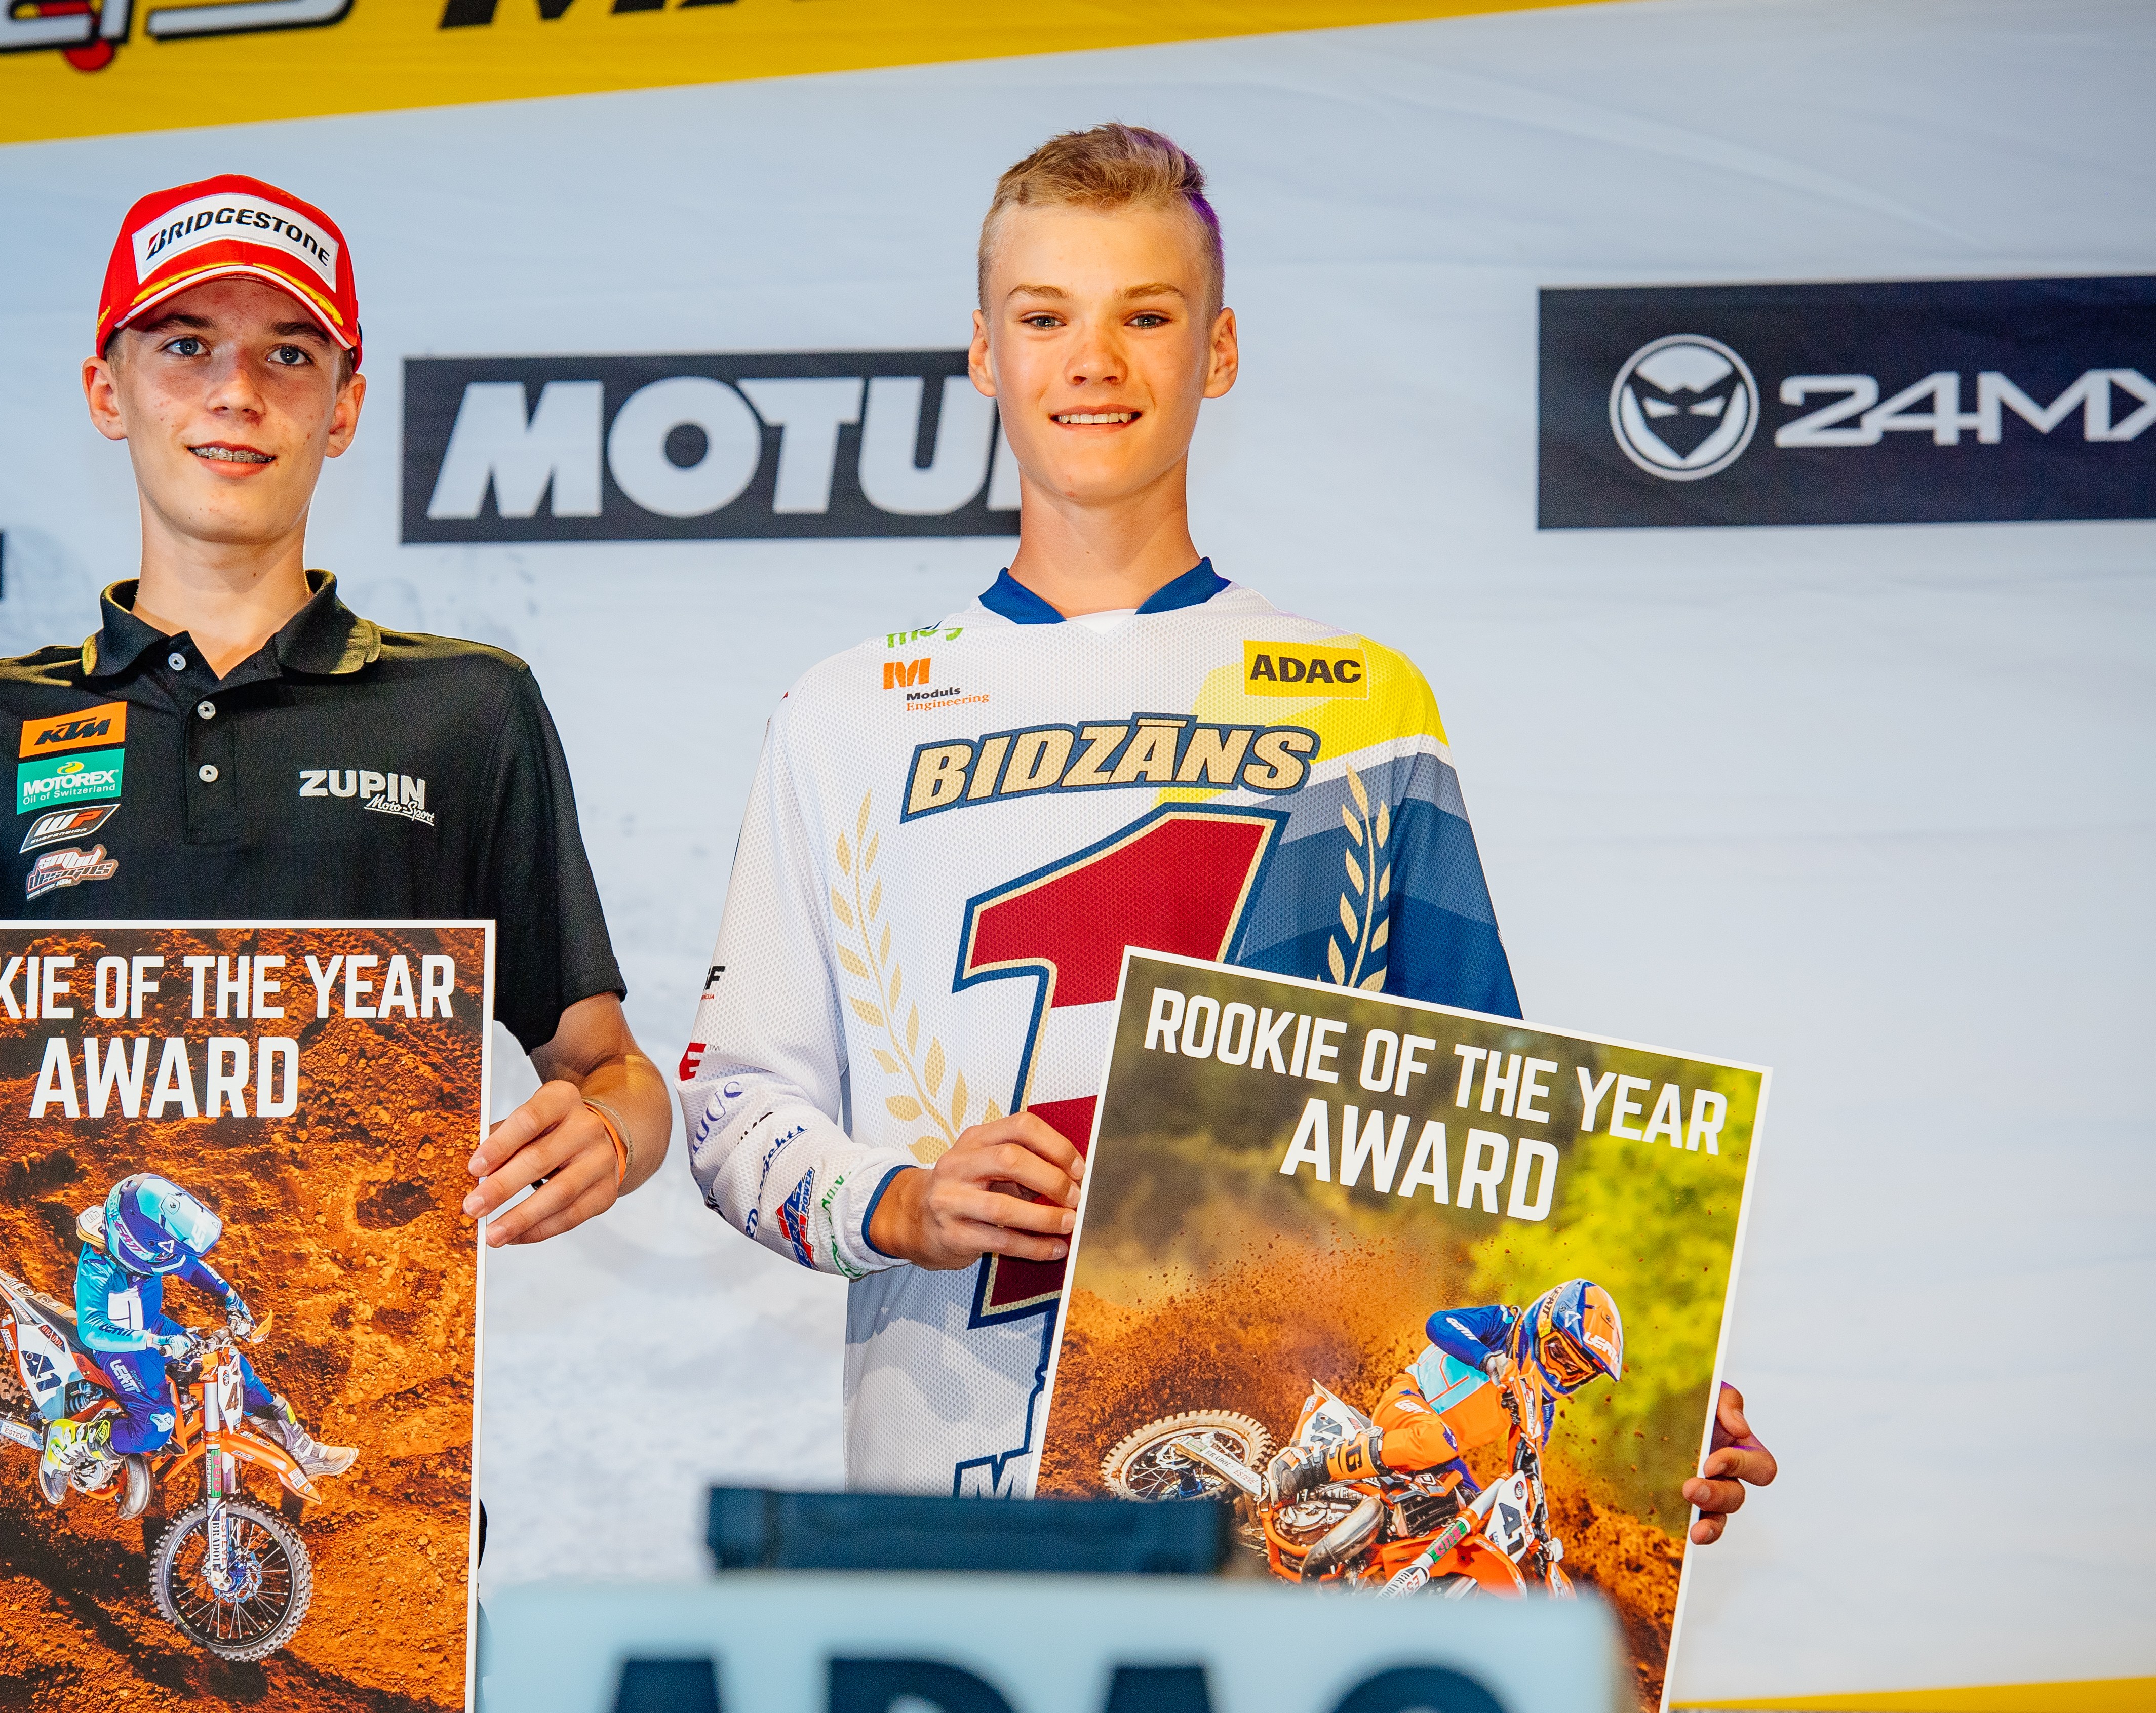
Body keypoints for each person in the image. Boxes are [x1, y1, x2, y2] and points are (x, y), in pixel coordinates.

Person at [681, 124, 1776, 1539]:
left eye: (1145, 316)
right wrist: (898, 1203)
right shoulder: (845, 712)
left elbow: (1479, 1142)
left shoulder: (1363, 707)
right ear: (983, 353)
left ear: (1221, 349)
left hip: (1278, 1517)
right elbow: (732, 1105)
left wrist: (1633, 1427)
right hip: (944, 1502)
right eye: (1045, 318)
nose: (1094, 361)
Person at [0, 174, 667, 1267]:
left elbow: (608, 1066)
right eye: (185, 346)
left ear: (344, 407)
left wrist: (608, 1133)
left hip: (361, 1341)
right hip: (58, 1339)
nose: (236, 393)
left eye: (289, 353)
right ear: (106, 391)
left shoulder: (466, 710)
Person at [43, 1171, 348, 1485]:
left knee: (233, 1367)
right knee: (156, 1426)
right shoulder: (98, 1266)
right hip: (121, 1347)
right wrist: (153, 1342)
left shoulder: (143, 1242)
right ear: (134, 1245)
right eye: (160, 1253)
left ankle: (301, 1450)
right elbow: (92, 1330)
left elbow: (190, 1266)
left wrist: (230, 1298)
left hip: (152, 1328)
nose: (168, 1259)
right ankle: (70, 1441)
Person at [1266, 1277, 1623, 1505]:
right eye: (1559, 1353)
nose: (1561, 1371)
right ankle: (1311, 1465)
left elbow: (1525, 1475)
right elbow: (1439, 1323)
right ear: (1541, 1324)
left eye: (1576, 1370)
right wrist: (1487, 1359)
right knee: (1438, 1440)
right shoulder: (1504, 1326)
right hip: (1409, 1399)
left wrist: (1528, 1514)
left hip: (1440, 1455)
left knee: (1475, 1512)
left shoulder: (1539, 1408)